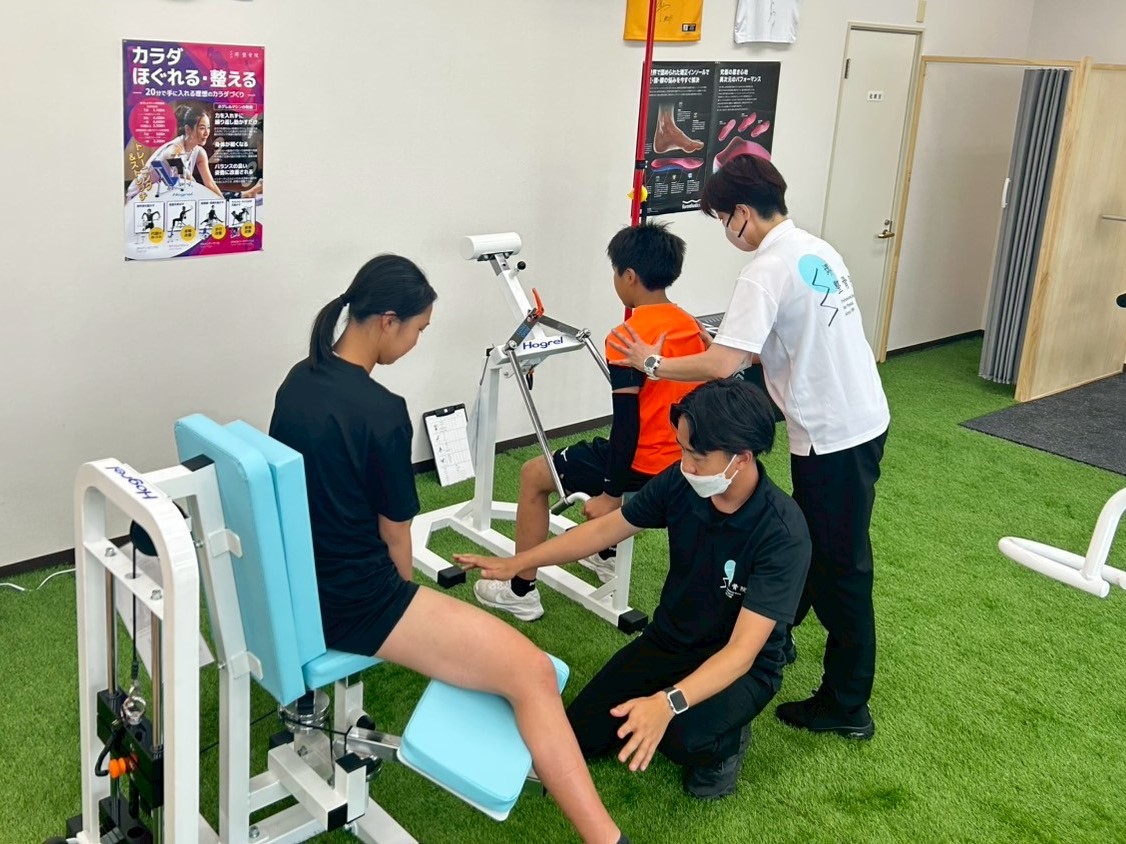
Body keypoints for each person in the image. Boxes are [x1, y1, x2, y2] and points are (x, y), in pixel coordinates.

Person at [269, 255, 627, 844]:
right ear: (388, 321)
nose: (415, 342)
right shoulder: (383, 412)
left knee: (516, 667)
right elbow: (396, 538)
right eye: (418, 330)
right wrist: (408, 604)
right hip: (355, 602)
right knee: (533, 673)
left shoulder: (297, 380)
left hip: (300, 581)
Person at [608, 154, 890, 741]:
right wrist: (733, 342)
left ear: (740, 213)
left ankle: (847, 703)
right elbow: (781, 339)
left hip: (833, 434)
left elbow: (722, 365)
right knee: (810, 540)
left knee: (842, 567)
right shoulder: (817, 250)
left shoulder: (765, 269)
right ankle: (776, 637)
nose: (725, 230)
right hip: (861, 415)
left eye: (721, 219)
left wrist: (652, 363)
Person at [458, 379, 811, 800]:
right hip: (671, 640)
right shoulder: (681, 482)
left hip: (745, 666)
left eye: (697, 457)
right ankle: (677, 699)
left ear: (742, 458)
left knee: (680, 737)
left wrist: (668, 703)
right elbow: (606, 529)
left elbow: (741, 653)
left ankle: (726, 745)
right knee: (583, 732)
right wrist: (521, 562)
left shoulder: (782, 532)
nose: (686, 465)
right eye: (682, 450)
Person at [473, 222, 706, 621]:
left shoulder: (627, 337)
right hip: (681, 460)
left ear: (628, 276)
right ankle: (604, 553)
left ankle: (520, 590)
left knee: (533, 474)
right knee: (600, 449)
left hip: (644, 465)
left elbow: (626, 425)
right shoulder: (691, 325)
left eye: (615, 272)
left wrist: (611, 494)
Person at [126, 103, 222, 202]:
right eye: (202, 128)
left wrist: (224, 202)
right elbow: (191, 184)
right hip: (139, 197)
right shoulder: (173, 153)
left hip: (162, 195)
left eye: (208, 127)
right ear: (188, 129)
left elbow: (210, 184)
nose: (206, 133)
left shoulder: (199, 152)